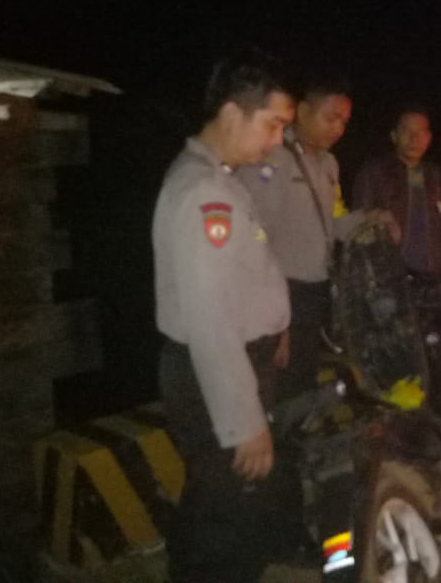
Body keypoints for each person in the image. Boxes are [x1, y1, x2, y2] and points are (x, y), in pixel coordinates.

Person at [153, 49, 295, 582]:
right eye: (273, 124)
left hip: (230, 361)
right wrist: (244, 422)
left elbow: (239, 277)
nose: (278, 139)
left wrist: (275, 325)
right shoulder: (204, 193)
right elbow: (210, 319)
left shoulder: (219, 176)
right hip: (215, 371)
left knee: (226, 504)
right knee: (222, 515)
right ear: (233, 114)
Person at [236, 74, 396, 399]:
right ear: (303, 111)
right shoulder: (273, 158)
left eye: (345, 121)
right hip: (282, 290)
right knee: (277, 388)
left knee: (303, 382)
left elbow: (332, 222)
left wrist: (370, 220)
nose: (339, 128)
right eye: (331, 117)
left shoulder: (329, 165)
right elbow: (254, 236)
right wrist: (274, 316)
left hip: (315, 291)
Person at [352, 105, 441, 283]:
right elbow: (358, 223)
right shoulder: (374, 172)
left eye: (420, 132)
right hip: (387, 276)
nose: (414, 138)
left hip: (431, 276)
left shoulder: (438, 177)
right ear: (394, 136)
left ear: (429, 138)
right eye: (407, 131)